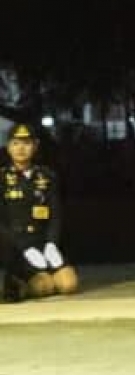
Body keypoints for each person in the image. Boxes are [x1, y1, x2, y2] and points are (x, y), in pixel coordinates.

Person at [0, 123, 79, 302]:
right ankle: (19, 283)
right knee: (44, 286)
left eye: (26, 143)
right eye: (15, 143)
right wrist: (22, 248)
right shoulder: (2, 178)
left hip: (44, 243)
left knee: (69, 285)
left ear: (35, 146)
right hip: (19, 247)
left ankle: (42, 277)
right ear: (8, 147)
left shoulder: (46, 176)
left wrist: (51, 243)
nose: (21, 149)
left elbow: (56, 214)